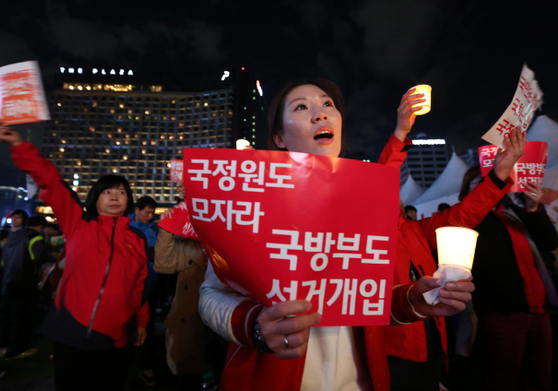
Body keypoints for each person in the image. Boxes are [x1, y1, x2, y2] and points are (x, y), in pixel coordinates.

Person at [198, 79, 475, 391]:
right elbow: (210, 296)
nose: (321, 114)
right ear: (279, 136)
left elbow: (366, 302)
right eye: (301, 107)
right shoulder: (252, 202)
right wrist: (256, 327)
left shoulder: (361, 206)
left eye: (328, 104)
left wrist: (416, 300)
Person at [0, 121, 149, 391]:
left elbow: (139, 287)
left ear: (128, 200)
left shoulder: (137, 239)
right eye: (107, 191)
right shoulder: (78, 224)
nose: (114, 196)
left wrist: (142, 323)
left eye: (121, 192)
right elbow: (51, 180)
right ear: (95, 199)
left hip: (116, 335)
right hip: (70, 331)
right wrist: (18, 145)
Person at [377, 112, 526, 390]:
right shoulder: (369, 235)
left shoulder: (416, 229)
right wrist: (400, 133)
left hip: (433, 347)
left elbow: (466, 214)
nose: (390, 189)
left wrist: (501, 172)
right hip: (393, 352)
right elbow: (382, 177)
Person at [459, 166, 558, 391]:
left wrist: (533, 207)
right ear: (466, 190)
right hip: (501, 313)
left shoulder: (513, 212)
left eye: (494, 181)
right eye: (480, 183)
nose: (489, 187)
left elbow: (549, 242)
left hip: (537, 310)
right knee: (503, 378)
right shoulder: (467, 219)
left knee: (539, 377)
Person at [155, 181, 211, 390]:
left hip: (223, 321)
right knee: (189, 376)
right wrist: (168, 228)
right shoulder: (186, 242)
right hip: (190, 320)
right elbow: (163, 265)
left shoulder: (232, 236)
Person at [0, 210, 45, 359]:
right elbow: (38, 259)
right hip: (24, 283)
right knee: (22, 319)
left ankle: (3, 348)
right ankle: (17, 350)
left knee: (6, 317)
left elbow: (3, 261)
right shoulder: (34, 237)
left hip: (8, 281)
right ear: (39, 227)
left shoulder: (10, 237)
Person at [128, 195, 160, 386]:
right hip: (126, 285)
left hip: (148, 285)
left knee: (146, 327)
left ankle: (145, 366)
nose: (150, 216)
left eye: (152, 213)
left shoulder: (156, 229)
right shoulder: (125, 225)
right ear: (137, 210)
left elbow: (159, 256)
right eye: (147, 212)